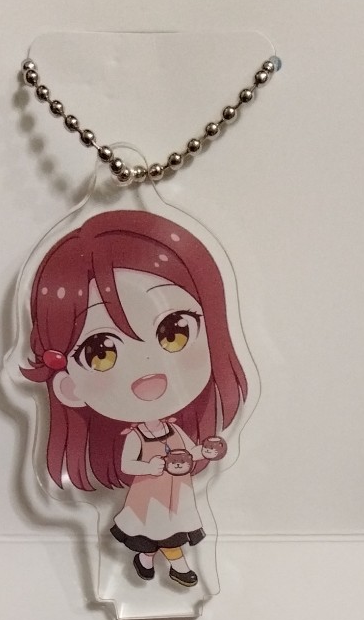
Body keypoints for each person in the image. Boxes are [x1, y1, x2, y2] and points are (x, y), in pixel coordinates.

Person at [21, 209, 248, 586]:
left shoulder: (173, 429)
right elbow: (130, 462)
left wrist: (202, 452)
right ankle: (172, 565)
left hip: (176, 492)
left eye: (175, 331)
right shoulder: (136, 436)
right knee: (159, 534)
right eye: (101, 352)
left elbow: (188, 448)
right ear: (69, 386)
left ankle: (151, 558)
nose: (149, 370)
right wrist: (152, 465)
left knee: (162, 533)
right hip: (150, 492)